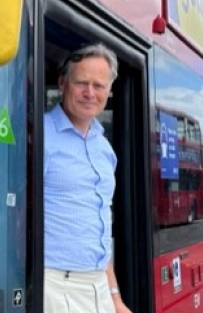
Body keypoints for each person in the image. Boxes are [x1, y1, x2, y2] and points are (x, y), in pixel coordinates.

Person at [43, 43, 132, 313]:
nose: (90, 93)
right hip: (55, 285)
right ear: (63, 83)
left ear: (110, 90)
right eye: (81, 82)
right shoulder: (40, 135)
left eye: (99, 85)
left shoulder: (104, 148)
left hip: (99, 288)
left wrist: (115, 298)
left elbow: (100, 226)